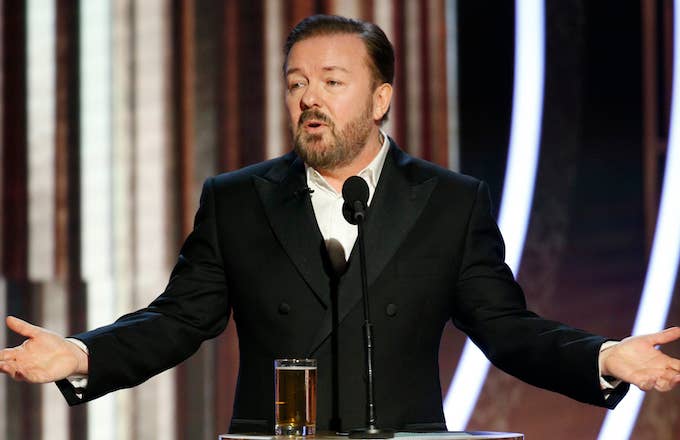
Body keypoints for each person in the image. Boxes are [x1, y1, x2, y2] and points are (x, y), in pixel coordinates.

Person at [1, 14, 680, 434]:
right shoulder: (238, 201)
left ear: (381, 97)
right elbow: (179, 320)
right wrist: (83, 355)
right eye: (296, 83)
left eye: (331, 80)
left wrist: (601, 357)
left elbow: (505, 328)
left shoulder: (449, 202)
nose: (308, 99)